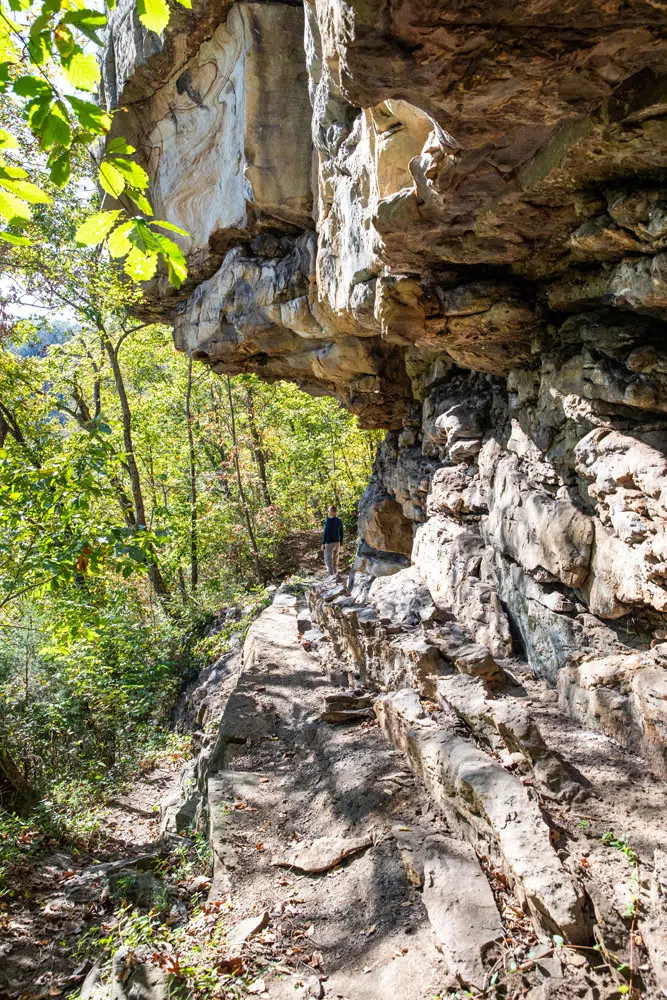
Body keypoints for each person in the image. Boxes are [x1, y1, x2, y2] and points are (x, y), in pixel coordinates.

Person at [321, 505, 343, 575]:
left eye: (330, 511)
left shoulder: (328, 520)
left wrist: (323, 543)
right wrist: (341, 543)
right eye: (329, 511)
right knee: (335, 561)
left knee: (328, 561)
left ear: (334, 512)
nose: (329, 512)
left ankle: (331, 577)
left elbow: (326, 532)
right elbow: (341, 532)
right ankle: (336, 575)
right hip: (337, 543)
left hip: (329, 543)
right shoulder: (339, 520)